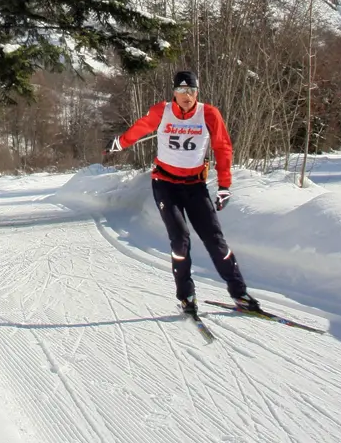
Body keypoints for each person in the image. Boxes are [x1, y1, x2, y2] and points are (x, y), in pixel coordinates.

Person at [105, 70, 260, 319]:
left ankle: (239, 293)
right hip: (165, 184)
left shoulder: (209, 114)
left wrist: (224, 186)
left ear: (197, 93)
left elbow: (222, 147)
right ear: (173, 93)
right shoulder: (162, 111)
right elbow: (141, 128)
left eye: (191, 91)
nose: (186, 96)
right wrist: (120, 142)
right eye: (181, 91)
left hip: (195, 185)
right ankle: (186, 296)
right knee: (180, 239)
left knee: (215, 240)